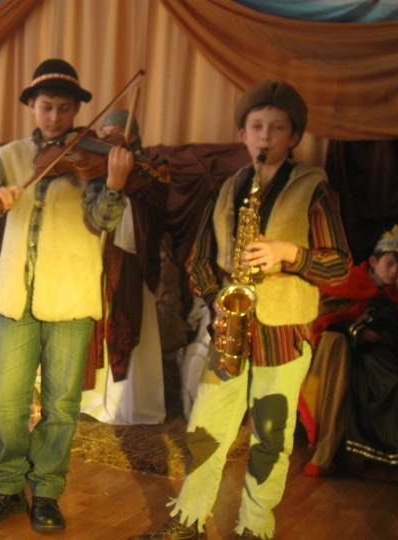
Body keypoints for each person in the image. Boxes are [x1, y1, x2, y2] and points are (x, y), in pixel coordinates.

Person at [130, 80, 351, 540]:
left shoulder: (313, 187)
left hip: (283, 331)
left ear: (294, 136)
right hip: (231, 327)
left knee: (271, 434)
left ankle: (255, 526)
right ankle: (188, 519)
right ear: (242, 135)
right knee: (205, 427)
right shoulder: (228, 189)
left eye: (277, 127)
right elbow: (198, 261)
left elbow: (339, 265)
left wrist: (288, 254)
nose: (265, 136)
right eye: (257, 127)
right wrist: (217, 296)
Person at [0, 59, 134, 532]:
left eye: (65, 109)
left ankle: (48, 493)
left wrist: (114, 184)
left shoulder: (92, 158)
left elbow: (101, 220)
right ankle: (7, 487)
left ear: (76, 111)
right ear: (32, 105)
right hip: (15, 296)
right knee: (7, 401)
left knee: (61, 404)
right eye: (47, 107)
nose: (55, 118)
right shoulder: (11, 156)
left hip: (72, 295)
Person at [300, 220, 398, 477]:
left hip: (380, 352)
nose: (394, 271)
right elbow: (325, 317)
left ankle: (378, 455)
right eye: (389, 264)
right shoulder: (350, 281)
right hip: (341, 352)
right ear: (373, 261)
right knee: (378, 380)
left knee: (390, 381)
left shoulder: (396, 292)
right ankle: (346, 454)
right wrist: (357, 332)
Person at [81, 108, 166, 425]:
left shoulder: (150, 169)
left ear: (133, 136)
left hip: (129, 264)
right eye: (104, 137)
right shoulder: (90, 169)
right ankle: (90, 400)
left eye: (117, 136)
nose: (109, 143)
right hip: (93, 260)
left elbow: (155, 203)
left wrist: (124, 175)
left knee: (128, 322)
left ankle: (127, 405)